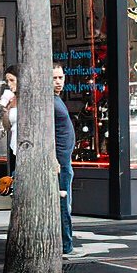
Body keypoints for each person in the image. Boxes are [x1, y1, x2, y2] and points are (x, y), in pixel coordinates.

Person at [53, 66, 83, 258]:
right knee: (64, 203)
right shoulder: (49, 101)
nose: (58, 81)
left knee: (65, 202)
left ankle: (66, 243)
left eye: (60, 77)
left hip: (64, 159)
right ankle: (66, 245)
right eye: (54, 77)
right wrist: (53, 158)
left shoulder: (57, 100)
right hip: (60, 161)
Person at [0, 65, 19, 192]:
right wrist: (5, 110)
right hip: (14, 145)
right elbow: (7, 126)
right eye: (7, 81)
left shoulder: (29, 98)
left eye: (12, 80)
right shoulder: (12, 98)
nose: (9, 84)